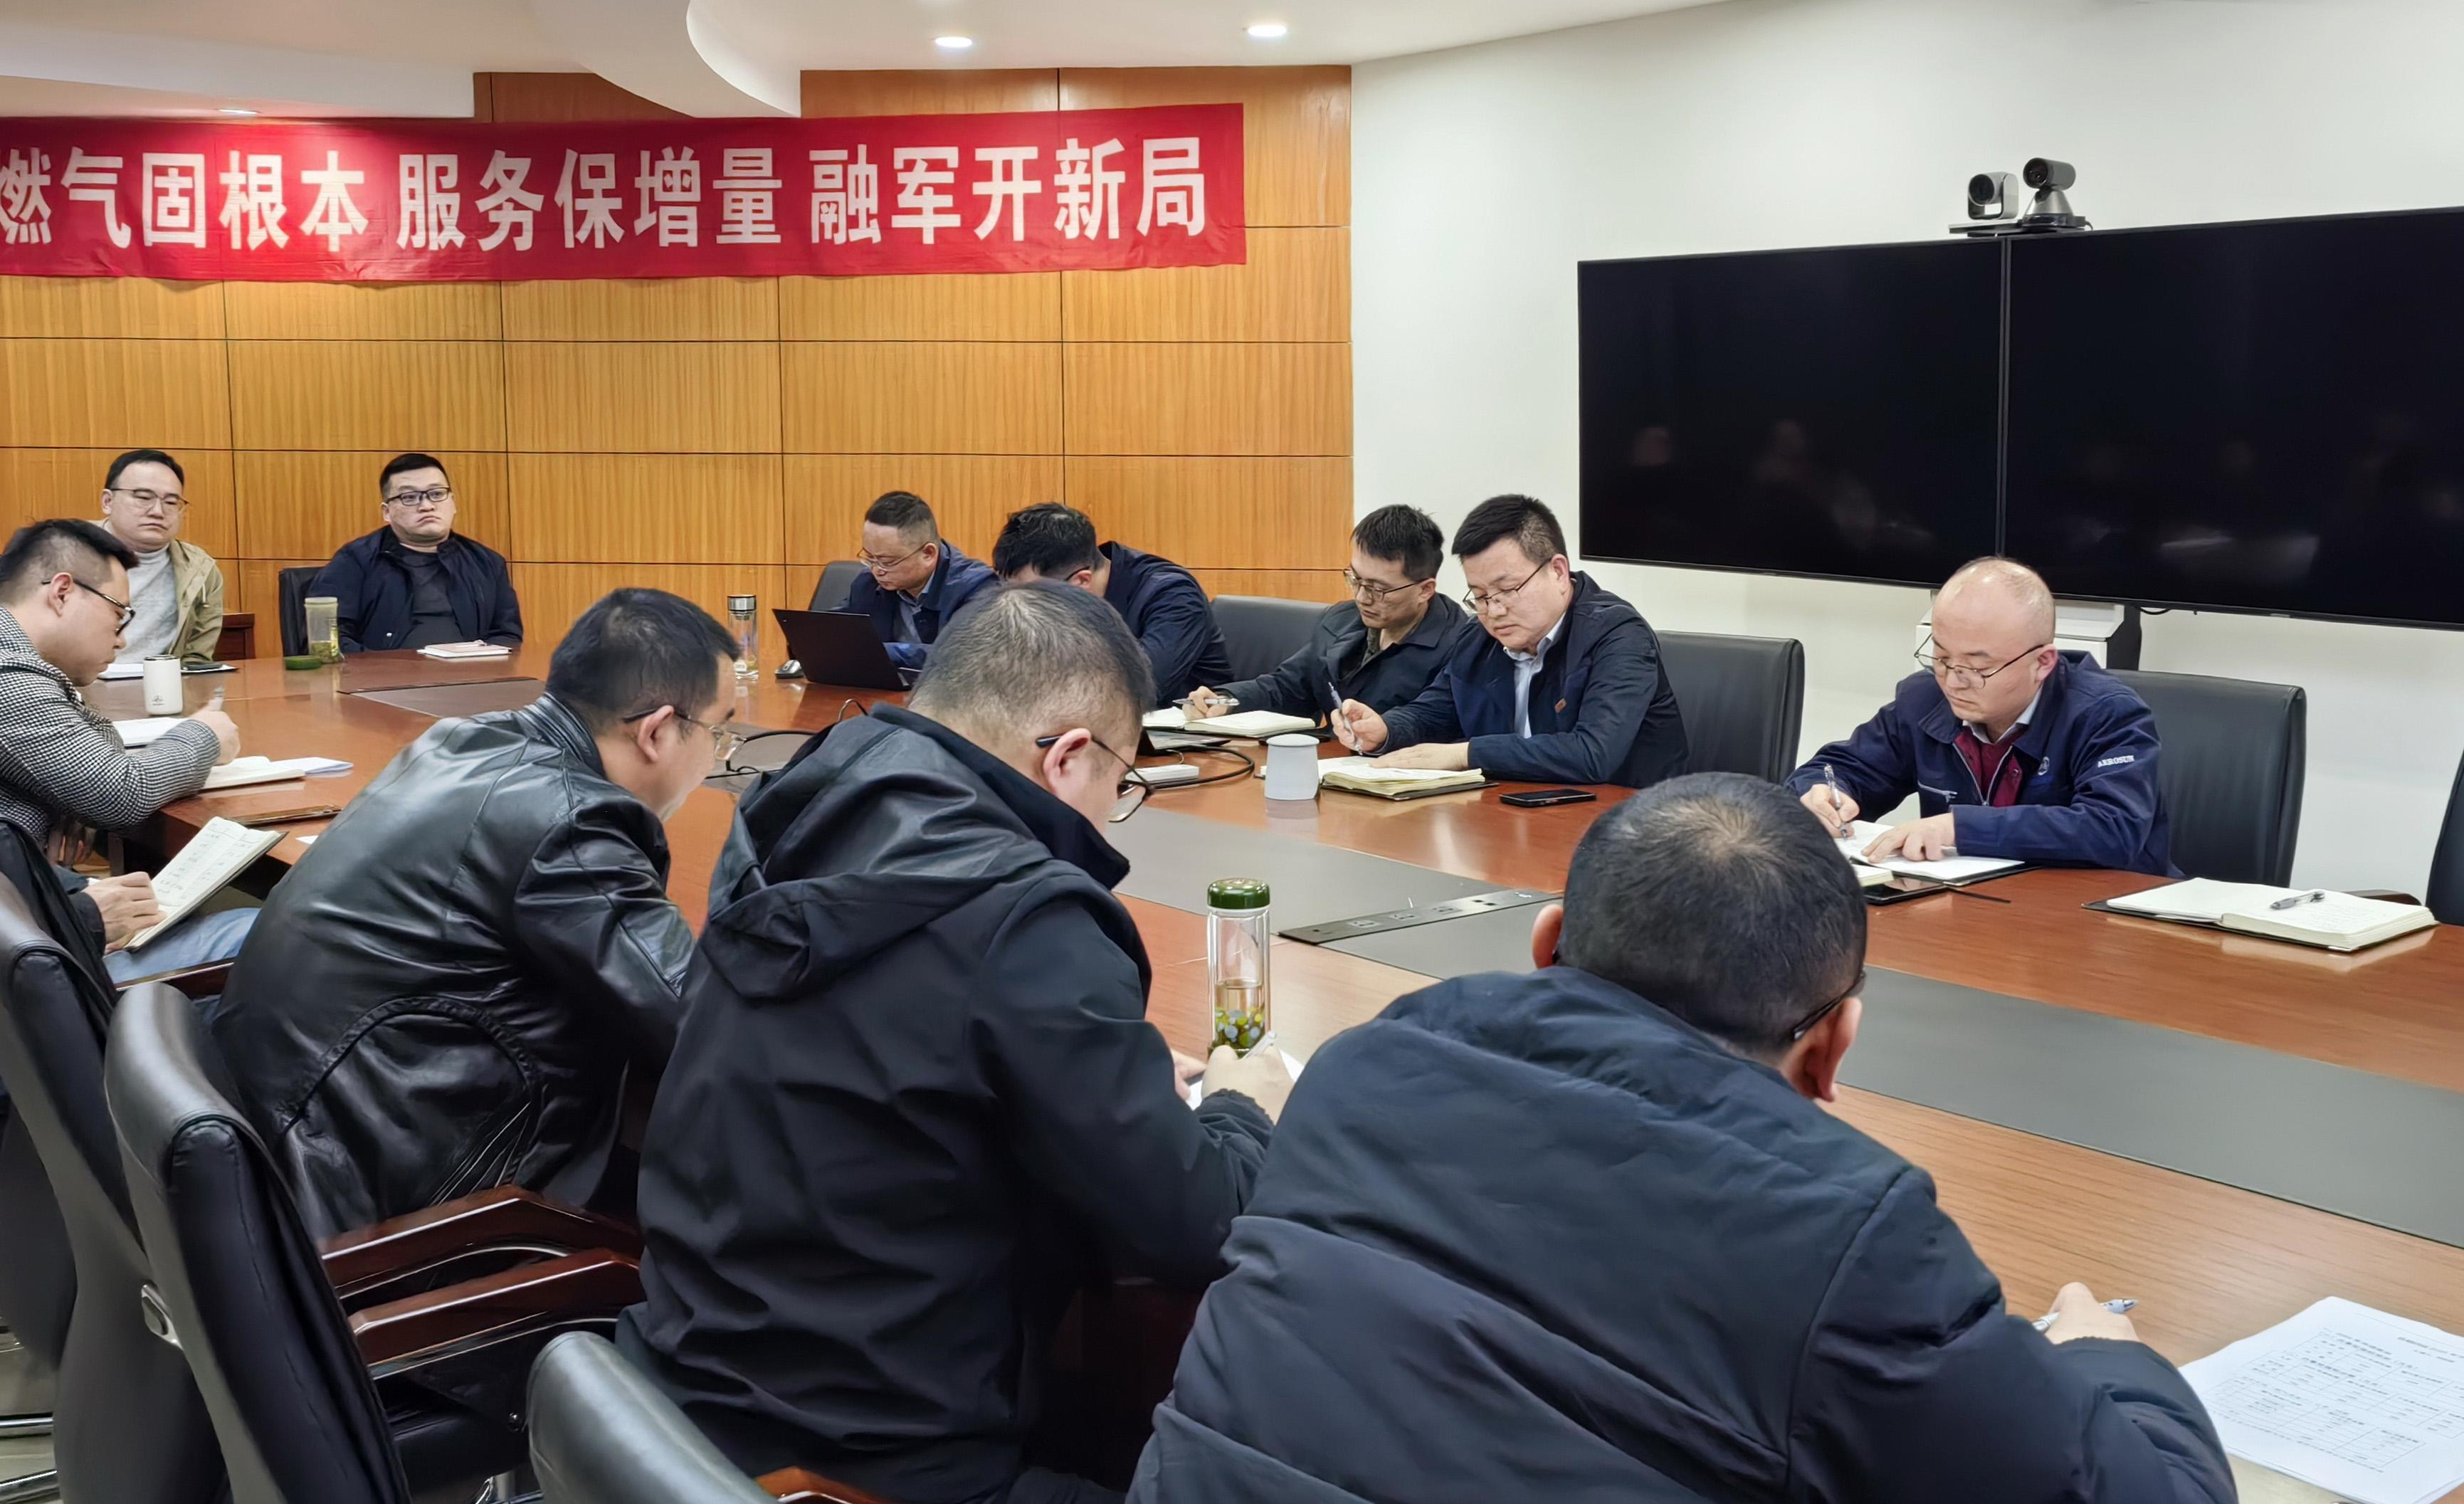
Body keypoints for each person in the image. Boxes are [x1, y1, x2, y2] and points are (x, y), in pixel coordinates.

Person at [1132, 774, 2236, 1504]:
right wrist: (2109, 1362)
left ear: (1546, 945)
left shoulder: (1357, 1067)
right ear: (1830, 1048)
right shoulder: (1851, 1241)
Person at [621, 583, 1294, 1504]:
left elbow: (899, 1047)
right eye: (1121, 782)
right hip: (874, 1462)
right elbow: (1199, 1224)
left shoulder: (785, 814)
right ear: (1068, 756)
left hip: (679, 1407)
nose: (1112, 813)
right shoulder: (1026, 913)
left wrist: (1098, 1076)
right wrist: (1242, 1102)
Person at [211, 589, 735, 1238]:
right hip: (374, 1226)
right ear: (656, 731)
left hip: (279, 1156)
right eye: (719, 731)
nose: (720, 754)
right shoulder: (570, 821)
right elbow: (703, 1027)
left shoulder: (461, 739)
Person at [1787, 557, 2174, 874]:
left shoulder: (2106, 713)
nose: (1954, 681)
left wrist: (1959, 827)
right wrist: (1820, 794)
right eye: (1941, 657)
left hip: (2102, 915)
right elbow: (1840, 769)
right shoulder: (1925, 699)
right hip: (1976, 906)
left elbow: (2112, 828)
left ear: (2042, 663)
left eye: (1978, 667)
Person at [0, 520, 249, 983]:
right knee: (267, 931)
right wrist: (205, 736)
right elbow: (121, 791)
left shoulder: (25, 666)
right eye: (120, 613)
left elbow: (103, 757)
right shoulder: (9, 677)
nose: (122, 637)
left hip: (32, 916)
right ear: (62, 592)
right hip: (29, 961)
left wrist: (72, 794)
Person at [1335, 495, 1688, 787]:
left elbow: (1593, 754)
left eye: (1507, 590)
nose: (1494, 610)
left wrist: (1465, 754)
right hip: (1513, 813)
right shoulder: (1479, 636)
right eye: (1480, 596)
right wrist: (1385, 730)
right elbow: (1436, 711)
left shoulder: (1618, 635)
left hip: (1632, 824)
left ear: (1558, 572)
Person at [1182, 505, 1465, 722]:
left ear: (1425, 590)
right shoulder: (1341, 621)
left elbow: (1437, 724)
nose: (1361, 598)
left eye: (1379, 589)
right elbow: (1289, 688)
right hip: (1333, 763)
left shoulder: (1459, 645)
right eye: (1355, 579)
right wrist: (1227, 699)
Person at [991, 503, 1231, 706]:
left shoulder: (1172, 594)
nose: (1021, 604)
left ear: (1081, 580)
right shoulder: (1050, 599)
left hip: (1189, 737)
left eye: (1031, 594)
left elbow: (1137, 689)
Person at [310, 452, 523, 654]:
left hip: (471, 677)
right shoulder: (355, 560)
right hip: (383, 678)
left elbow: (507, 636)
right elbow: (327, 639)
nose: (427, 506)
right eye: (410, 497)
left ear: (453, 502)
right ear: (387, 512)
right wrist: (382, 668)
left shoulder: (486, 563)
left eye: (437, 494)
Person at [836, 490, 998, 669]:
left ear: (928, 554)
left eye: (887, 562)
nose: (877, 570)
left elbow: (964, 654)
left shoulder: (976, 588)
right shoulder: (868, 584)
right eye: (870, 558)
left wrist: (881, 651)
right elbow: (836, 632)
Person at [98, 448, 226, 663]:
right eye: (143, 498)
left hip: (164, 682)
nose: (158, 511)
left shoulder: (200, 570)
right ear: (108, 502)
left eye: (171, 502)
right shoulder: (64, 554)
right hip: (76, 682)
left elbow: (196, 660)